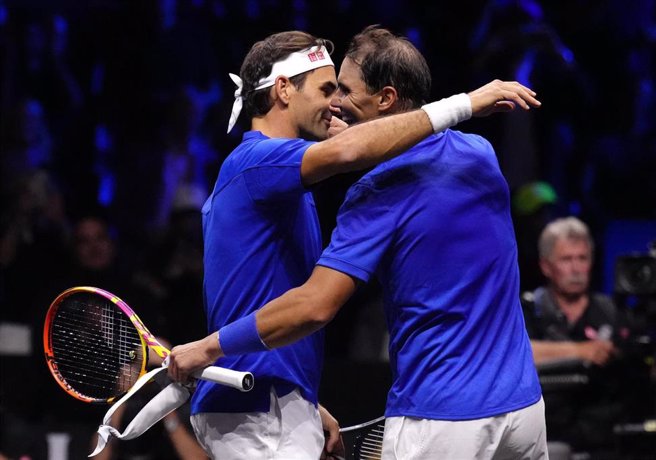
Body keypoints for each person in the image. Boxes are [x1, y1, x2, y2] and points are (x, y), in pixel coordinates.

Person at [169, 25, 545, 459]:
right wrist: (463, 104)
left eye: (342, 90)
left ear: (385, 98)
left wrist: (303, 403)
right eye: (329, 89)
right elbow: (346, 154)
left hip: (425, 415)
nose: (336, 105)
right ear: (284, 90)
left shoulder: (363, 189)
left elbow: (309, 303)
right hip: (522, 408)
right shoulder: (479, 153)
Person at [521, 216, 656, 457]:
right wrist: (580, 351)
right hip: (545, 439)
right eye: (566, 259)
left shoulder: (611, 312)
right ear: (546, 266)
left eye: (582, 258)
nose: (576, 268)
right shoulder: (526, 310)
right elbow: (514, 352)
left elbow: (643, 355)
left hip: (606, 443)